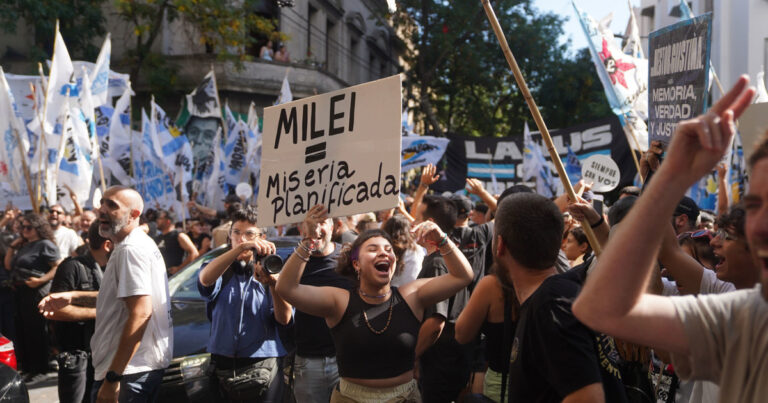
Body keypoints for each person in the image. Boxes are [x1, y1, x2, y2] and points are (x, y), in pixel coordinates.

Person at [571, 76, 768, 402]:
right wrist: (670, 177)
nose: (758, 226)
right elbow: (599, 309)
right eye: (755, 205)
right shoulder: (745, 316)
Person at [276, 204, 474, 402]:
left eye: (389, 250)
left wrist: (442, 240)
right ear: (356, 264)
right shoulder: (340, 301)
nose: (383, 253)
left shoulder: (412, 295)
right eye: (373, 249)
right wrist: (309, 241)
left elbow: (463, 276)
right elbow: (286, 288)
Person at [494, 193, 626, 402]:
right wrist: (596, 221)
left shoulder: (552, 303)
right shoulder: (563, 289)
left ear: (500, 245)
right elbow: (614, 262)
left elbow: (588, 399)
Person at [51, 185, 172, 402]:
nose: (102, 211)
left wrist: (113, 378)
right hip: (131, 371)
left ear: (134, 215)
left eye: (112, 206)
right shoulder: (131, 245)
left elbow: (141, 313)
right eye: (102, 204)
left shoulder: (130, 250)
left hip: (128, 373)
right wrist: (74, 297)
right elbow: (124, 300)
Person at [198, 205, 292, 402]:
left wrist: (274, 283)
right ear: (229, 236)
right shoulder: (221, 267)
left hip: (263, 366)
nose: (241, 239)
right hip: (222, 364)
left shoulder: (274, 268)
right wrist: (240, 249)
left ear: (262, 239)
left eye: (249, 234)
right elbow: (206, 279)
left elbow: (284, 319)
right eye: (236, 233)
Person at [38, 222, 111, 403]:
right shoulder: (72, 267)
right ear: (107, 244)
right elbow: (53, 310)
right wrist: (100, 313)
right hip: (79, 355)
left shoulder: (113, 267)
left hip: (105, 353)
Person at [413, 195, 476, 402]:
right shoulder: (443, 259)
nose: (413, 224)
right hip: (448, 362)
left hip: (440, 364)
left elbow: (435, 323)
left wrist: (411, 357)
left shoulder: (438, 263)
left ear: (429, 225)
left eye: (417, 219)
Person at [290, 214, 354, 403]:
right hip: (308, 362)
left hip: (346, 359)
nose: (316, 229)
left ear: (334, 227)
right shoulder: (295, 263)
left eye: (321, 222)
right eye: (310, 224)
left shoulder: (349, 258)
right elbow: (284, 292)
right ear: (302, 229)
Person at [4, 213, 60, 384]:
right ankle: (28, 368)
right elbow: (8, 265)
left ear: (39, 228)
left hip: (37, 292)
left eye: (29, 227)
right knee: (23, 331)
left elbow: (58, 266)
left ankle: (40, 368)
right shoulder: (23, 245)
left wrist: (41, 280)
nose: (25, 230)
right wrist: (13, 247)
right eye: (22, 227)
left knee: (37, 331)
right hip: (20, 291)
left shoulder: (45, 245)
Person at [455, 271, 515, 402]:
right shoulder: (552, 280)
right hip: (538, 383)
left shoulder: (492, 284)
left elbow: (461, 334)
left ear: (502, 250)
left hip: (500, 383)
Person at [382, 215, 424, 288]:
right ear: (408, 230)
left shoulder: (383, 251)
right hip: (412, 293)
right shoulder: (418, 250)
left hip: (390, 294)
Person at [155, 209, 199, 275]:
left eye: (160, 218)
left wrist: (179, 268)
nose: (157, 220)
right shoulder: (157, 238)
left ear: (168, 221)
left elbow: (194, 253)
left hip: (178, 279)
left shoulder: (179, 235)